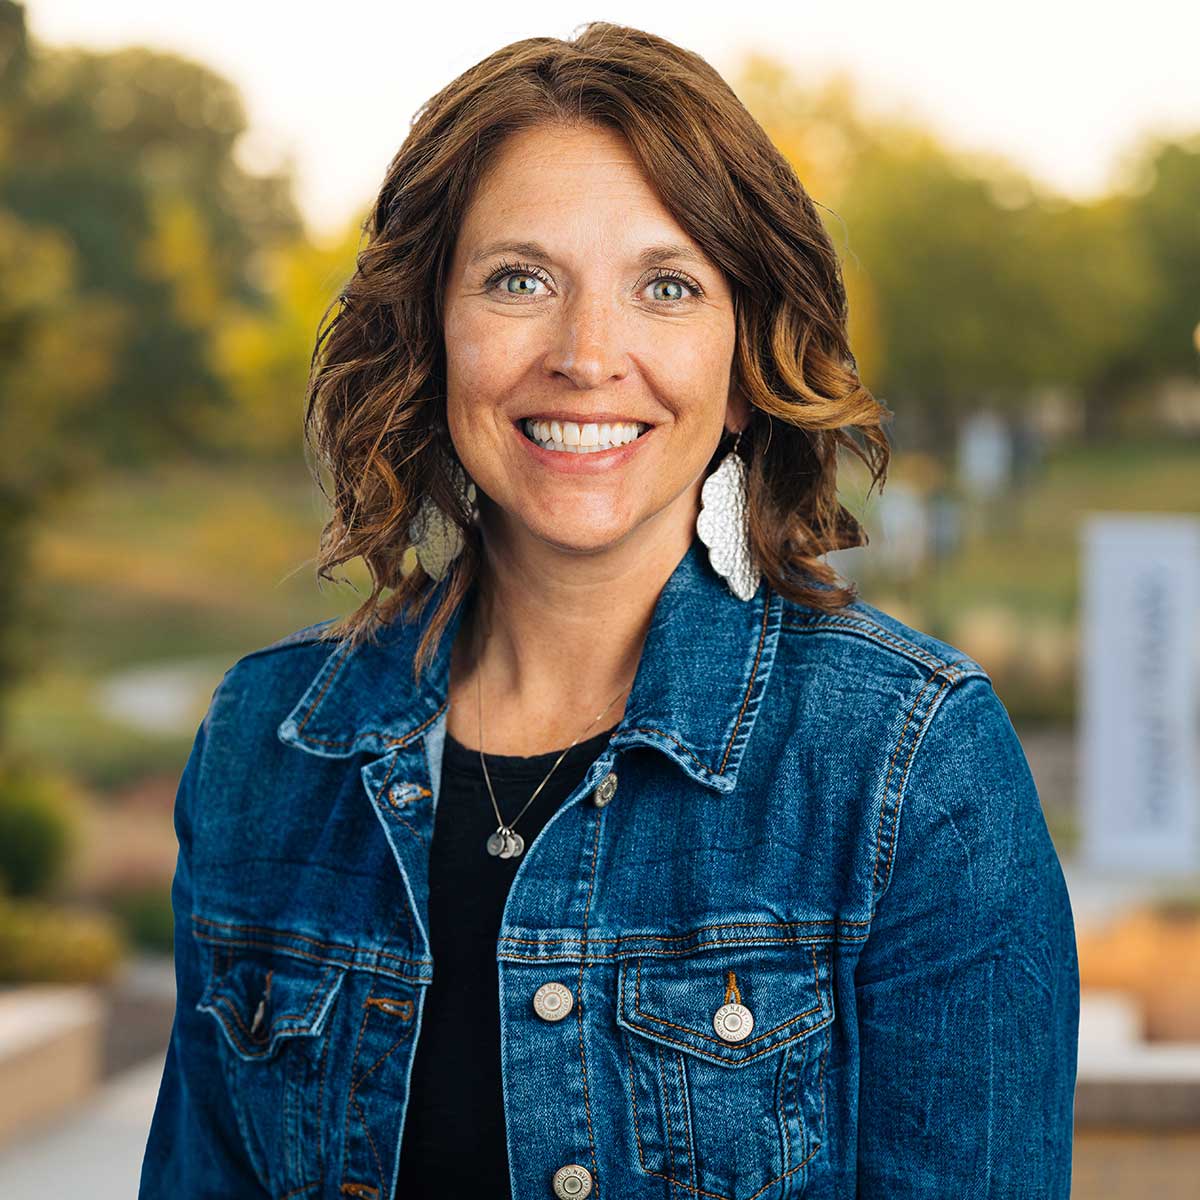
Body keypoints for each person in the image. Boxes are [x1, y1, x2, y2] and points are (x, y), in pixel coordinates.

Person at [139, 21, 1079, 1200]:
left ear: (746, 371)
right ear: (431, 336)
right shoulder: (261, 749)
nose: (588, 355)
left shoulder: (905, 766)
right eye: (519, 280)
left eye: (667, 285)